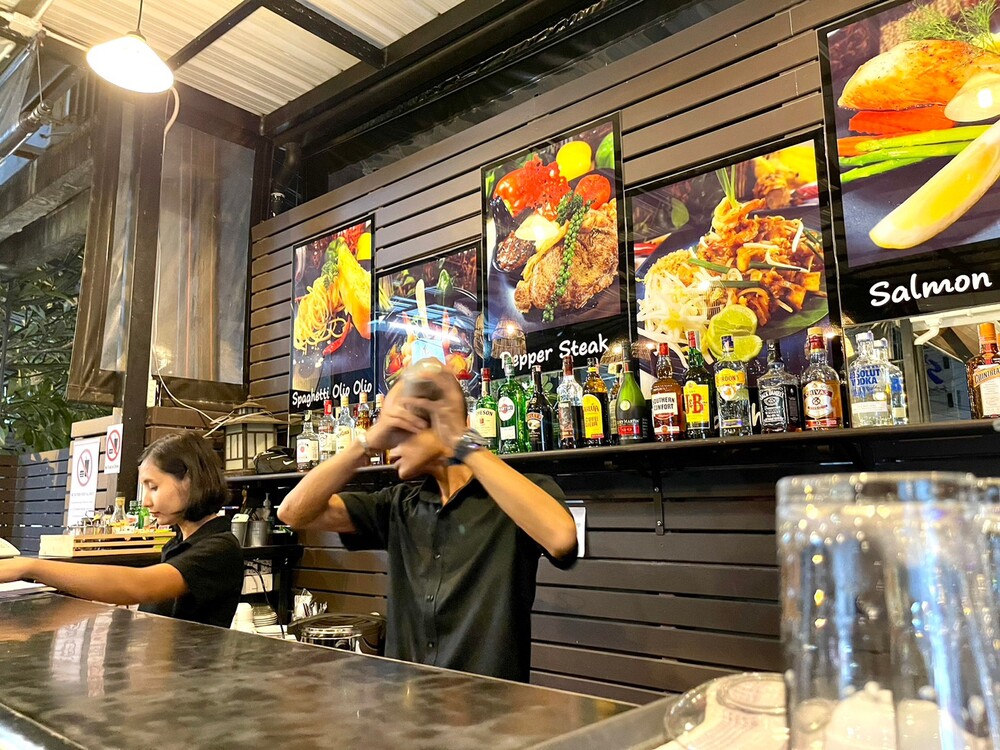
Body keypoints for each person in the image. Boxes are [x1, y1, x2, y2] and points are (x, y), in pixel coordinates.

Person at [278, 360, 579, 682]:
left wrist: (462, 442)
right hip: (406, 702)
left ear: (439, 425)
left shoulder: (518, 495)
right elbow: (292, 513)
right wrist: (363, 443)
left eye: (399, 432)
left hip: (490, 704)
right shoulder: (398, 504)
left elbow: (561, 539)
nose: (390, 450)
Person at [0, 433, 243, 628]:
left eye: (153, 487)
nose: (146, 502)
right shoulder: (177, 543)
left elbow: (140, 586)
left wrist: (29, 567)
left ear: (190, 481)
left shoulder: (219, 548)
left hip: (193, 672)